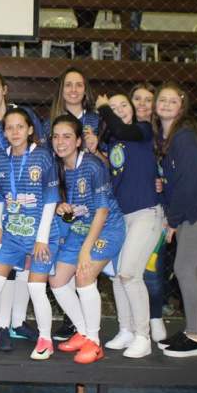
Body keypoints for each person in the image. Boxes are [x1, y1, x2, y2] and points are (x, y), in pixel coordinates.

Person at [152, 82, 197, 357]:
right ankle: (192, 330)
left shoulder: (184, 136)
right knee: (192, 270)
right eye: (163, 99)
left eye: (174, 100)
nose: (167, 104)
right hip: (191, 208)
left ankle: (195, 337)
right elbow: (175, 178)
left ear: (182, 106)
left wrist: (172, 220)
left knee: (184, 269)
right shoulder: (166, 136)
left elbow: (188, 182)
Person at [0, 108, 59, 360]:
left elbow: (50, 200)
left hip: (41, 235)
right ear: (3, 132)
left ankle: (45, 339)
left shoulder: (44, 157)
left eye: (20, 127)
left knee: (36, 288)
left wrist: (41, 238)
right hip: (11, 234)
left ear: (30, 130)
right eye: (9, 127)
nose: (15, 132)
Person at [49, 115, 125, 364]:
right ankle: (82, 332)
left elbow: (102, 211)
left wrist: (85, 251)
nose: (60, 142)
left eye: (67, 136)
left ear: (79, 140)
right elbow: (67, 208)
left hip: (106, 229)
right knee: (57, 280)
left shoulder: (92, 165)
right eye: (56, 136)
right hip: (80, 230)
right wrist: (61, 207)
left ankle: (94, 341)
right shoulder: (57, 166)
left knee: (83, 275)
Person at [0, 71, 46, 347]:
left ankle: (16, 321)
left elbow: (40, 153)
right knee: (4, 262)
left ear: (5, 90)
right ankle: (2, 325)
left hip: (31, 202)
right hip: (4, 201)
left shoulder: (24, 115)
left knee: (26, 266)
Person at [97, 92, 164, 358]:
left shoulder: (142, 130)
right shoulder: (114, 140)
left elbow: (120, 127)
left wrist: (103, 108)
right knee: (117, 276)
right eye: (113, 107)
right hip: (123, 216)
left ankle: (142, 336)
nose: (119, 109)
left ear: (132, 109)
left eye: (123, 105)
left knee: (130, 274)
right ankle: (126, 330)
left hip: (146, 213)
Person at [130, 83, 169, 331]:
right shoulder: (119, 134)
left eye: (148, 100)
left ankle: (155, 318)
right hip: (126, 212)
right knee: (128, 272)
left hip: (156, 211)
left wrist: (164, 183)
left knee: (151, 271)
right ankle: (133, 324)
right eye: (137, 99)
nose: (142, 104)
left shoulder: (164, 135)